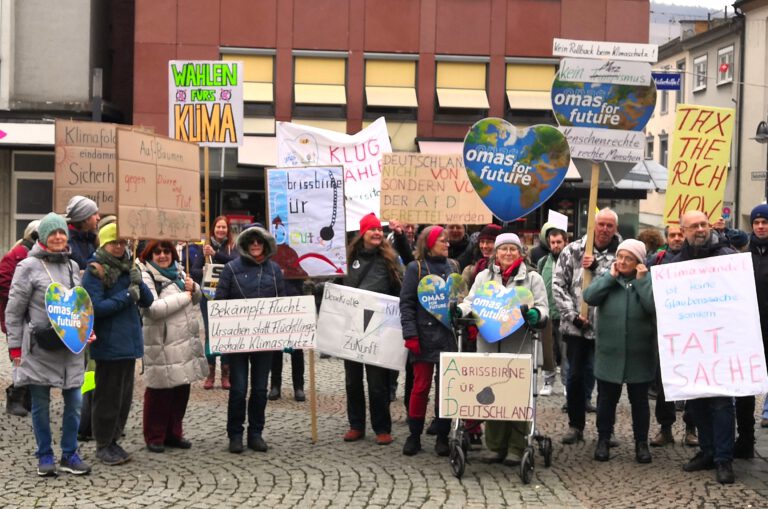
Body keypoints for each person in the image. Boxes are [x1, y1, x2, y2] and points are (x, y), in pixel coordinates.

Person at [5, 212, 91, 476]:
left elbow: (79, 306)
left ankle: (69, 453)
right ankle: (44, 455)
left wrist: (87, 329)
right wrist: (15, 346)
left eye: (61, 232)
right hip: (39, 348)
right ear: (42, 236)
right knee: (41, 404)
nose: (57, 236)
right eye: (52, 232)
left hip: (70, 348)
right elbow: (14, 310)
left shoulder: (72, 266)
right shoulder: (27, 267)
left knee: (75, 401)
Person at [458, 233, 548, 465]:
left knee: (517, 397)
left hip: (520, 346)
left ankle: (517, 447)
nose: (508, 253)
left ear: (521, 253)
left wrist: (536, 314)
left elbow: (543, 307)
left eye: (513, 249)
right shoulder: (483, 277)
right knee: (492, 396)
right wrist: (460, 311)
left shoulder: (533, 278)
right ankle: (495, 445)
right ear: (496, 253)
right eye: (503, 249)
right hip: (489, 345)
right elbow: (471, 301)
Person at [82, 223, 154, 466]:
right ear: (104, 244)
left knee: (123, 398)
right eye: (114, 242)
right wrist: (126, 296)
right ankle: (103, 444)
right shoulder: (95, 270)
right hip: (109, 343)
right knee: (107, 397)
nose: (119, 247)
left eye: (122, 242)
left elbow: (148, 300)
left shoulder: (129, 267)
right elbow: (95, 308)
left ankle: (114, 440)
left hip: (129, 342)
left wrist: (139, 282)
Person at [674, 210, 736, 484]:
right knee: (697, 402)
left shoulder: (729, 258)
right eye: (693, 226)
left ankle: (724, 459)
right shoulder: (676, 264)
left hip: (722, 342)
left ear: (710, 226)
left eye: (703, 224)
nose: (700, 229)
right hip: (692, 345)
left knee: (723, 403)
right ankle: (707, 451)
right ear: (683, 231)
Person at [583, 239, 656, 463]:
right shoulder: (608, 277)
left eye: (629, 258)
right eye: (620, 257)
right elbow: (589, 297)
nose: (623, 262)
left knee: (640, 402)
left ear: (639, 262)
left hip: (640, 353)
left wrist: (643, 283)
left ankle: (641, 443)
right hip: (609, 353)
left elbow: (653, 306)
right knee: (606, 400)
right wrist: (609, 277)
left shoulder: (648, 280)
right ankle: (603, 439)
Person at [553, 208, 621, 445]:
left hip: (607, 328)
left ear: (615, 229)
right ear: (593, 226)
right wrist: (573, 316)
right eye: (600, 224)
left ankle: (606, 429)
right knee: (575, 377)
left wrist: (598, 270)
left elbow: (621, 284)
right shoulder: (572, 250)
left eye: (609, 226)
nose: (604, 229)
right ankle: (575, 425)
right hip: (576, 328)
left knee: (607, 381)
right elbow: (558, 285)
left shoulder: (622, 254)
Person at [215, 225, 284, 454]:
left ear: (265, 244)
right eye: (251, 241)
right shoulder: (230, 269)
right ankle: (235, 434)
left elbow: (282, 304)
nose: (256, 245)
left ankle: (256, 433)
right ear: (244, 244)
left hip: (264, 342)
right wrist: (223, 347)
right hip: (237, 343)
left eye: (260, 241)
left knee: (260, 389)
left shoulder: (275, 270)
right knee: (238, 389)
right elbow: (220, 306)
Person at [138, 240, 208, 453]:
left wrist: (194, 288)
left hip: (184, 340)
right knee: (159, 391)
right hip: (161, 341)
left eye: (166, 251)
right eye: (157, 252)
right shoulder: (145, 275)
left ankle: (174, 433)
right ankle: (154, 435)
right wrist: (185, 296)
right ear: (150, 255)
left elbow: (196, 298)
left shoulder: (178, 272)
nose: (162, 255)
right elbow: (152, 309)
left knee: (181, 389)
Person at [341, 213, 402, 445]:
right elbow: (336, 285)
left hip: (378, 328)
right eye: (372, 230)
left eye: (379, 229)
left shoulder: (389, 259)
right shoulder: (348, 258)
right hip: (352, 327)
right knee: (352, 381)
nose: (377, 233)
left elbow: (400, 287)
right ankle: (356, 425)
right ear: (363, 233)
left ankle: (382, 428)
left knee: (378, 383)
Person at [399, 225, 460, 456]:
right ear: (430, 243)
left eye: (447, 241)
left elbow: (459, 299)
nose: (447, 244)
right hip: (423, 337)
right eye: (442, 241)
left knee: (445, 388)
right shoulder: (416, 268)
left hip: (448, 336)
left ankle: (442, 436)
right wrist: (410, 334)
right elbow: (406, 304)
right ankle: (414, 436)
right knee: (420, 386)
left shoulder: (454, 266)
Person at [645, 225, 697, 448]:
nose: (677, 238)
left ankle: (691, 429)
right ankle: (665, 428)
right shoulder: (656, 260)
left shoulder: (697, 259)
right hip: (663, 329)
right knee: (663, 380)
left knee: (693, 380)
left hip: (692, 329)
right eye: (672, 235)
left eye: (680, 234)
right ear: (666, 238)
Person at [192, 216, 239, 390]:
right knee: (211, 333)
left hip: (227, 296)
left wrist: (216, 255)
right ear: (213, 229)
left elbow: (235, 263)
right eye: (218, 227)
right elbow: (194, 270)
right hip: (208, 296)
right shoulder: (204, 248)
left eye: (224, 227)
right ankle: (210, 373)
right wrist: (204, 269)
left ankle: (226, 374)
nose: (221, 230)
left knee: (225, 333)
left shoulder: (231, 248)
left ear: (228, 230)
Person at [1, 219, 39, 416]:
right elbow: (4, 284)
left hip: (34, 318)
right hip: (17, 317)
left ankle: (27, 398)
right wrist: (25, 296)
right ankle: (15, 397)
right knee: (18, 358)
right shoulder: (14, 256)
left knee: (33, 358)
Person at [739, 204, 768, 457]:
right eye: (757, 222)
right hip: (749, 331)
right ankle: (745, 440)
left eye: (765, 222)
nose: (760, 226)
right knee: (745, 390)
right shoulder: (742, 255)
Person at [536, 228, 567, 397]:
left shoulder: (570, 260)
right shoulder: (542, 262)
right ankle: (548, 381)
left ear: (565, 242)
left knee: (566, 351)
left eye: (559, 242)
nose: (555, 245)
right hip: (547, 314)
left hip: (564, 314)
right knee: (548, 351)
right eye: (553, 242)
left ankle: (566, 383)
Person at [268, 278, 306, 402]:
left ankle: (299, 386)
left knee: (297, 348)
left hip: (294, 297)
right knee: (275, 348)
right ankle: (275, 385)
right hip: (274, 299)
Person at [65, 196, 100, 271]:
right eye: (95, 214)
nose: (98, 218)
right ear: (85, 218)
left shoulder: (90, 239)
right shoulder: (67, 243)